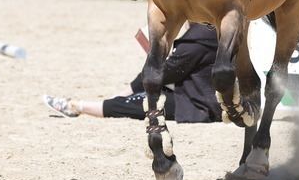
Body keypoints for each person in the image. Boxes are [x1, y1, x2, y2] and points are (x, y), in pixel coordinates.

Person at [43, 23, 221, 123]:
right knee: (148, 75)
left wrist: (156, 57)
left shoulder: (200, 34)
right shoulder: (210, 29)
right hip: (197, 92)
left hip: (198, 103)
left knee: (140, 102)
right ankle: (116, 98)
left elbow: (168, 73)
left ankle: (79, 107)